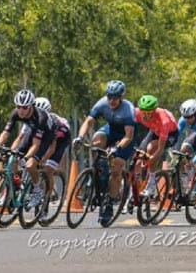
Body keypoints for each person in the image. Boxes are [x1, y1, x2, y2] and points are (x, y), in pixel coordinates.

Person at [74, 80, 138, 225]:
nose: (111, 100)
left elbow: (128, 136)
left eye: (115, 97)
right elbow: (89, 122)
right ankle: (98, 170)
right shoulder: (102, 103)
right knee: (96, 142)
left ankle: (109, 202)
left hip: (126, 137)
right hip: (110, 129)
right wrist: (80, 137)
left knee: (116, 169)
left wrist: (117, 148)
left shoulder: (128, 110)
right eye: (109, 96)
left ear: (121, 97)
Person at [0, 89, 55, 206]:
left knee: (30, 165)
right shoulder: (16, 113)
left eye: (25, 107)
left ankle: (37, 191)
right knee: (13, 158)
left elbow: (36, 144)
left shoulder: (40, 117)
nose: (21, 110)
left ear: (31, 106)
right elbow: (5, 133)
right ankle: (12, 189)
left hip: (46, 137)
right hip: (32, 132)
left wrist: (26, 158)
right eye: (18, 106)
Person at [135, 95, 178, 198]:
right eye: (143, 112)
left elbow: (160, 149)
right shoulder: (136, 113)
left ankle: (151, 184)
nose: (144, 116)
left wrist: (153, 158)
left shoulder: (164, 120)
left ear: (154, 111)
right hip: (154, 130)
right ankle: (137, 185)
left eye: (148, 113)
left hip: (170, 133)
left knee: (151, 149)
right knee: (138, 158)